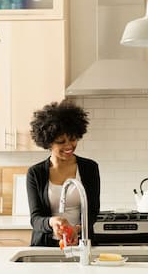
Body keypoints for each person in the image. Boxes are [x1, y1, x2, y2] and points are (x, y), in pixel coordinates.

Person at [26, 100, 100, 247]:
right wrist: (53, 222)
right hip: (45, 246)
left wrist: (76, 229)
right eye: (61, 141)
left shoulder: (90, 168)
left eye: (73, 139)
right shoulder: (35, 173)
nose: (69, 146)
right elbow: (35, 218)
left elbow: (93, 211)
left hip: (81, 244)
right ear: (48, 142)